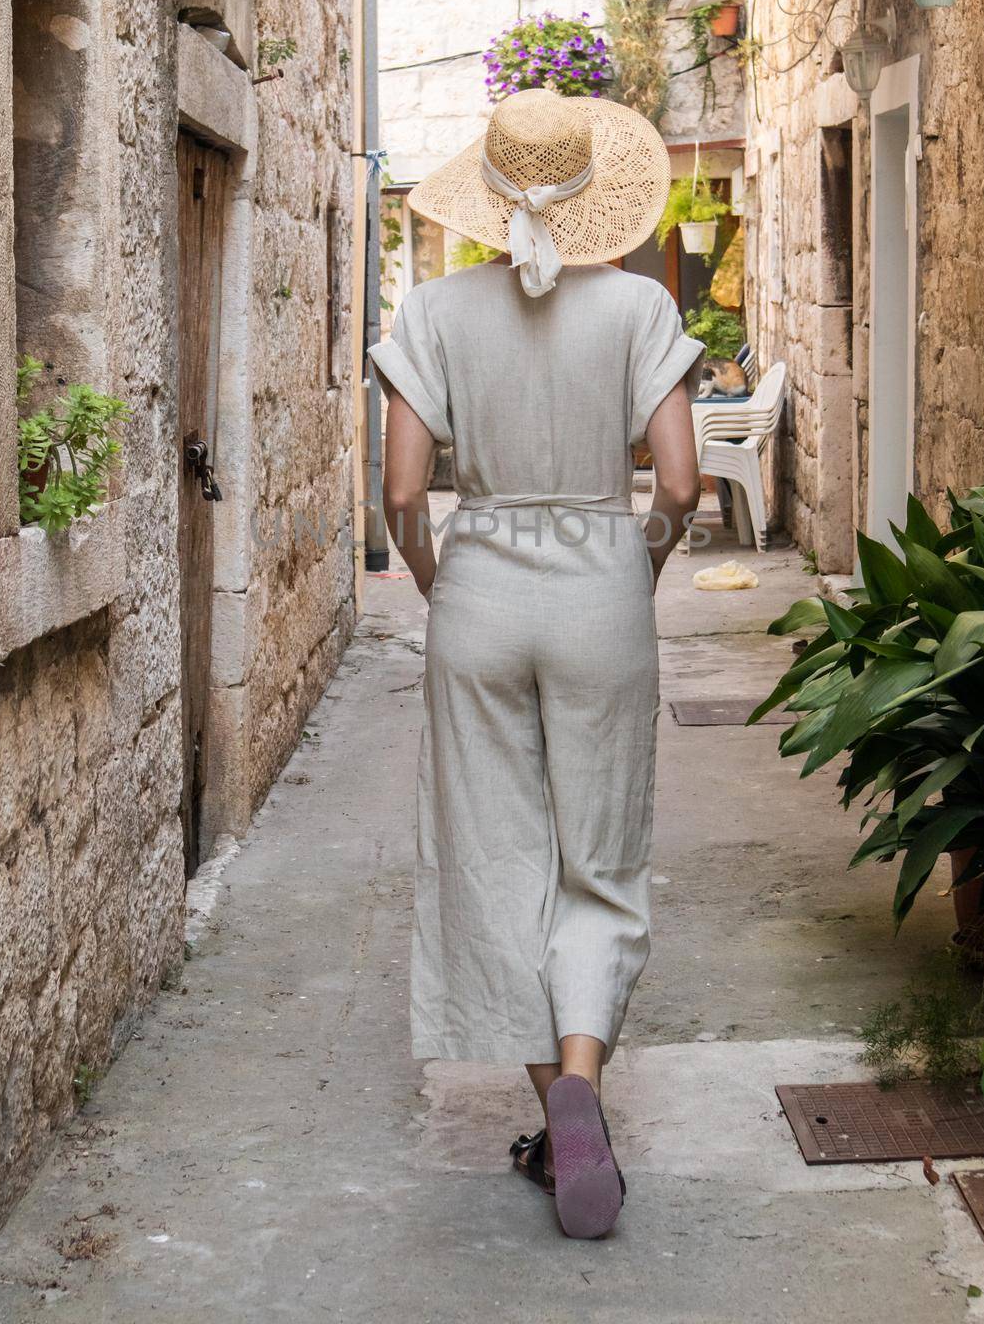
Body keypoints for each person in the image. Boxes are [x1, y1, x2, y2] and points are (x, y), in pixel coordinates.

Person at [368, 87, 703, 1239]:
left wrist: (433, 578)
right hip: (601, 581)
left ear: (485, 192)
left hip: (481, 585)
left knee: (496, 850)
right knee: (597, 854)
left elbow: (405, 491)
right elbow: (676, 484)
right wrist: (632, 570)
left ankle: (552, 1112)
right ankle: (581, 1077)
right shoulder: (638, 307)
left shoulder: (437, 310)